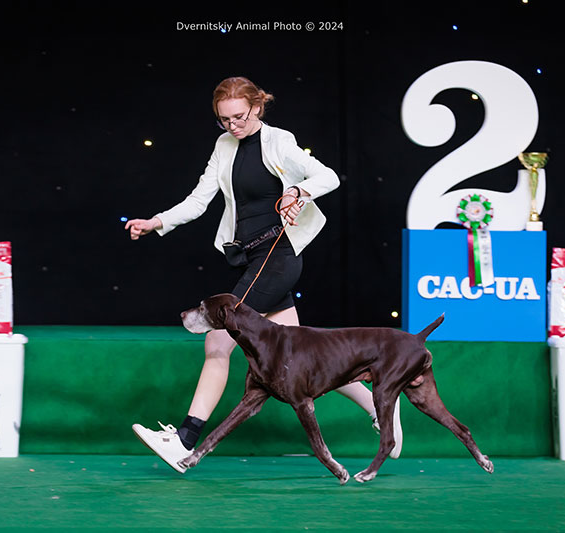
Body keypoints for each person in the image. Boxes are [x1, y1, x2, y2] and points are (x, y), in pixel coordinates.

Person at [127, 76, 402, 473]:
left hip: (277, 257)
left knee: (218, 340)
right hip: (248, 257)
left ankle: (183, 440)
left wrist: (297, 192)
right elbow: (199, 200)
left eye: (239, 117)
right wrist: (156, 222)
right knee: (305, 355)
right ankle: (380, 408)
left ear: (257, 107)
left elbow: (328, 176)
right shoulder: (224, 145)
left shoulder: (279, 141)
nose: (232, 126)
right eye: (224, 119)